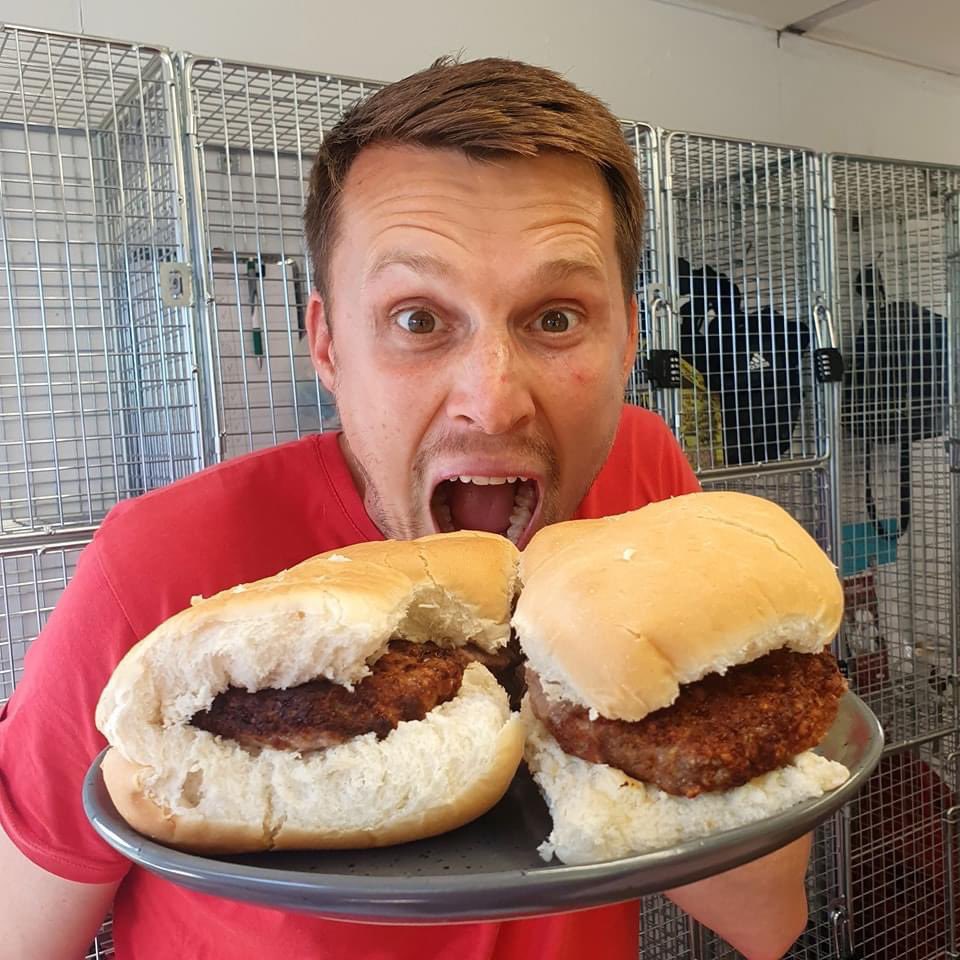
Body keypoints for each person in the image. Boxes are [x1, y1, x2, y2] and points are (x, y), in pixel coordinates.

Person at [0, 56, 811, 960]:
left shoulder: (643, 478)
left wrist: (612, 717)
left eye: (556, 318)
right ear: (327, 345)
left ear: (627, 341)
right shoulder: (149, 563)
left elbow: (765, 921)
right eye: (418, 319)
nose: (492, 404)